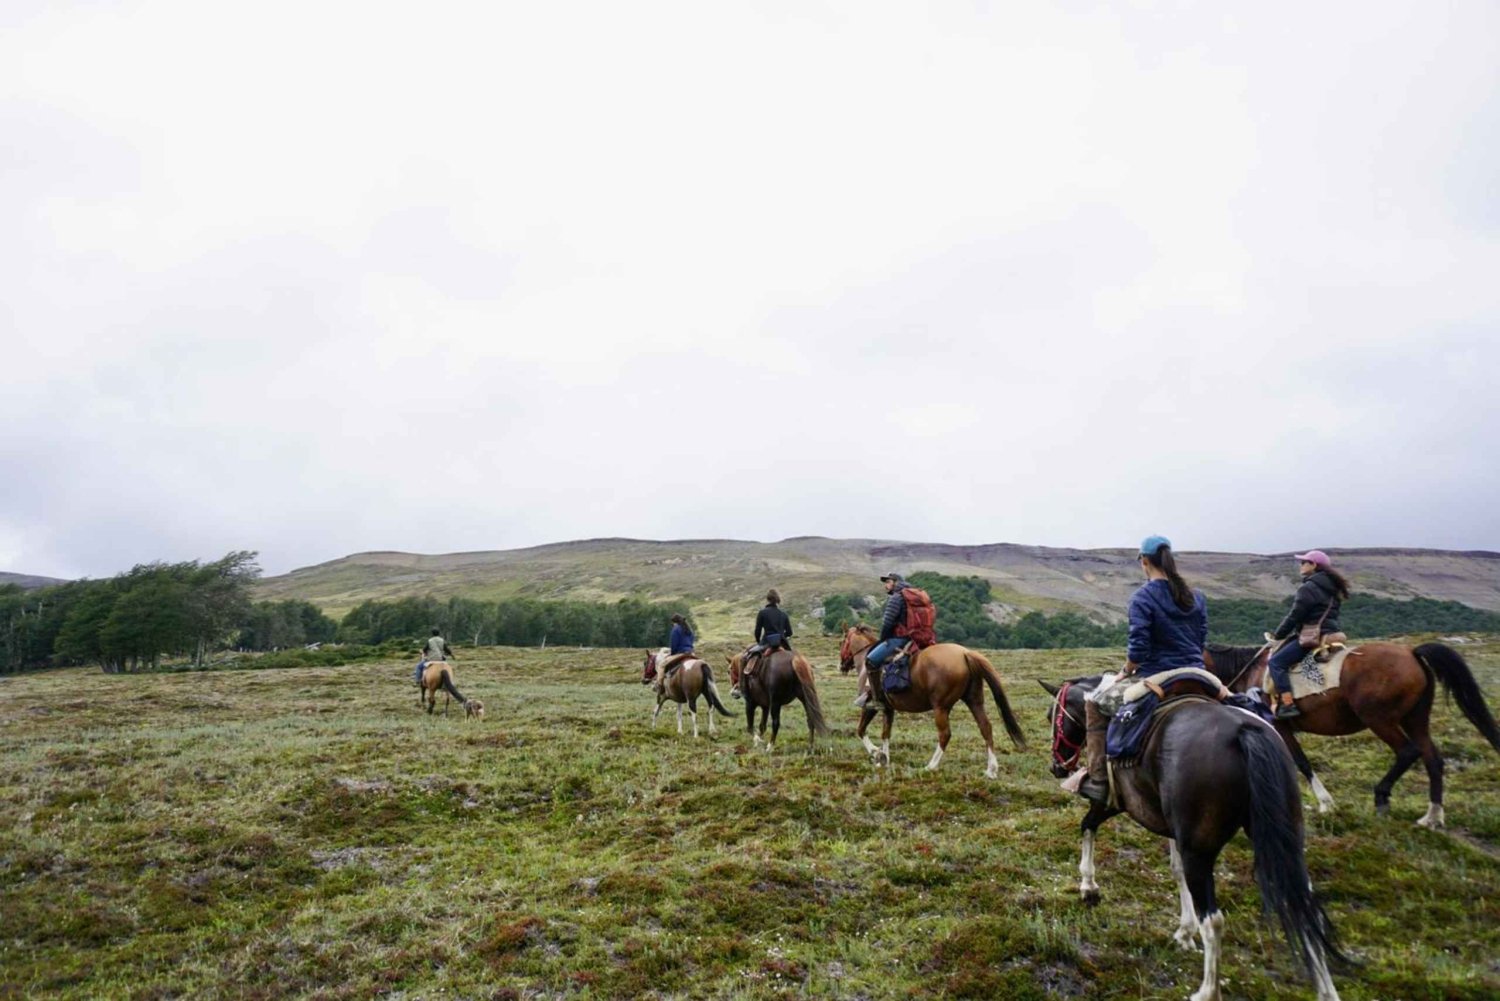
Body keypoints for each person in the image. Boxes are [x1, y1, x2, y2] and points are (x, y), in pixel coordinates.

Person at [1076, 536, 1207, 805]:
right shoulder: (1196, 597)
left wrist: (1126, 671)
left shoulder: (1142, 597)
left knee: (1095, 704)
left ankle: (1098, 780)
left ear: (1144, 561)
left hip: (1158, 674)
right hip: (1199, 675)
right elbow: (1201, 638)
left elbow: (1138, 649)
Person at [1264, 550, 1350, 719]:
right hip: (1332, 632)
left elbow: (1295, 616)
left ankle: (1288, 704)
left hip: (1314, 635)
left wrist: (1278, 635)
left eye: (1304, 562)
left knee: (1276, 663)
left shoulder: (1308, 588)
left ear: (1314, 565)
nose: (1301, 565)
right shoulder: (1333, 588)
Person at [855, 571, 919, 708]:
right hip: (917, 638)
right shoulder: (914, 597)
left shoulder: (896, 597)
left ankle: (876, 699)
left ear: (896, 582)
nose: (886, 585)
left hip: (900, 639)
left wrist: (883, 639)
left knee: (870, 661)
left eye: (888, 582)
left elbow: (888, 623)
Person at [740, 589, 793, 685]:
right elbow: (789, 632)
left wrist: (759, 642)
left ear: (768, 599)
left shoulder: (762, 613)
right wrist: (781, 637)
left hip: (766, 643)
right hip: (782, 643)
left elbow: (757, 631)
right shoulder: (783, 614)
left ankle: (743, 687)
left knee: (744, 657)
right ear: (778, 600)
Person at [655, 613, 696, 691]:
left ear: (674, 622)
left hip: (681, 653)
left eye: (672, 623)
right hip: (690, 652)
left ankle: (659, 686)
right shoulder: (689, 629)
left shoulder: (676, 629)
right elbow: (691, 641)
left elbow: (674, 644)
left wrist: (672, 654)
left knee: (661, 665)